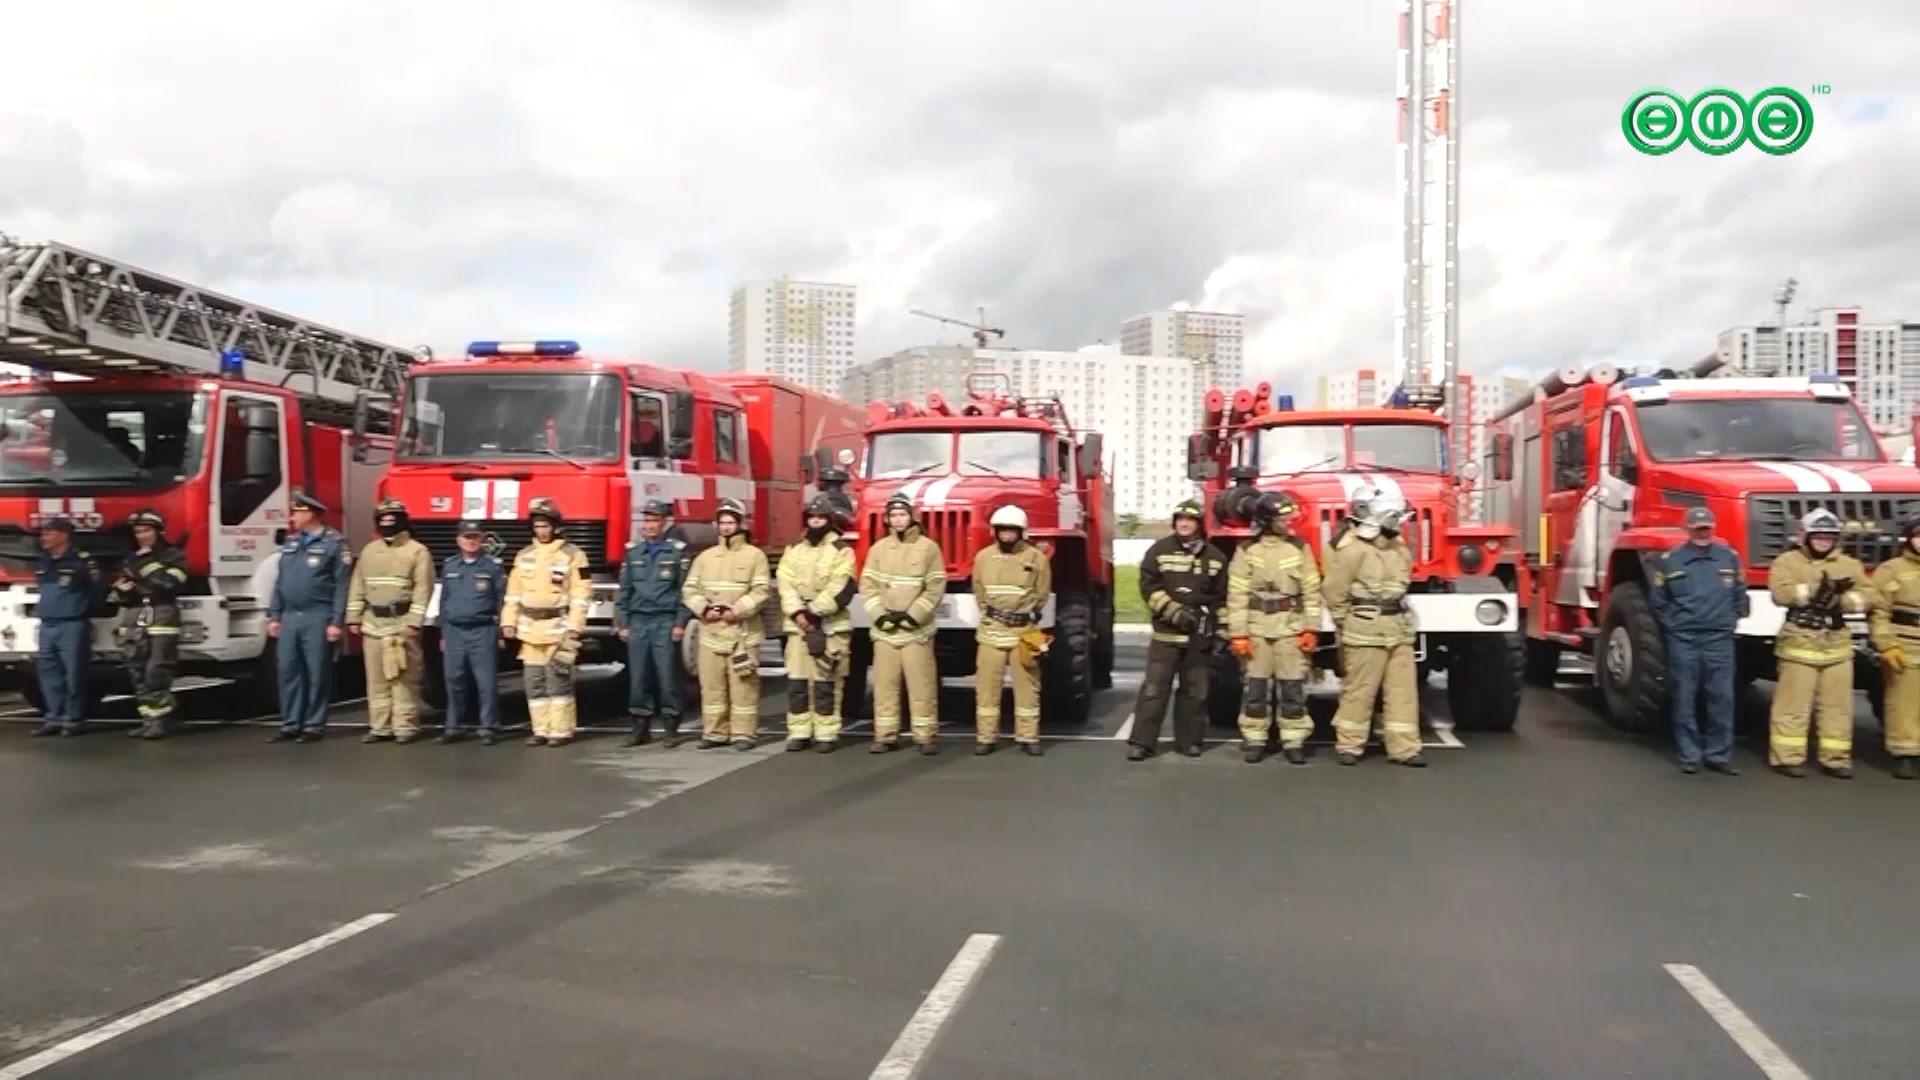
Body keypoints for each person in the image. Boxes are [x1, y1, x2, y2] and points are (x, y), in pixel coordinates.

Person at [1323, 495, 1425, 767]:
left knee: (1402, 692)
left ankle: (1404, 748)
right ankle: (1349, 745)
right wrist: (1347, 621)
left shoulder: (1399, 549)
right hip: (1364, 630)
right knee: (1359, 689)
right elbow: (1335, 591)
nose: (1401, 525)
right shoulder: (1353, 550)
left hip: (1399, 630)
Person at [1768, 508, 1870, 779]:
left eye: (1829, 536)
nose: (1823, 540)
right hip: (1800, 639)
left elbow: (1869, 596)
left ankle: (1835, 758)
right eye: (1818, 535)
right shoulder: (1787, 561)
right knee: (1792, 705)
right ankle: (1787, 757)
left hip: (1837, 643)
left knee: (1838, 707)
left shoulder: (1849, 565)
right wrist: (1814, 591)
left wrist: (1842, 600)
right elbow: (1780, 593)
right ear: (1805, 536)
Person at [1126, 498, 1228, 761]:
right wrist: (1174, 612)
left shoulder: (1216, 558)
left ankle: (1190, 741)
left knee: (1196, 692)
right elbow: (1148, 587)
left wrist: (1220, 631)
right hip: (1166, 636)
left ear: (1198, 524)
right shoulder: (1158, 551)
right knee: (1154, 690)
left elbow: (1222, 599)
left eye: (1190, 520)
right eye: (1180, 519)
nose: (1184, 523)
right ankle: (1142, 743)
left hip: (1199, 639)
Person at [1649, 506, 1747, 775]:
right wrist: (1676, 628)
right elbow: (1658, 602)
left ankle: (1718, 755)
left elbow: (1740, 595)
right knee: (1684, 697)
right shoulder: (1671, 560)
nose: (1702, 533)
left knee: (1723, 698)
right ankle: (1689, 755)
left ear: (1713, 529)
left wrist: (1729, 621)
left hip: (1719, 639)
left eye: (1707, 528)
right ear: (1688, 530)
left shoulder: (1729, 558)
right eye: (1697, 528)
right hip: (1685, 640)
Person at [1227, 491, 1321, 765]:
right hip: (1257, 629)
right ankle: (1255, 739)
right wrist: (1238, 633)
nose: (1288, 521)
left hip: (1290, 628)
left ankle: (1293, 740)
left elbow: (1311, 591)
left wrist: (1311, 629)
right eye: (1282, 517)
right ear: (1267, 520)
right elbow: (1237, 595)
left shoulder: (1299, 548)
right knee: (1255, 688)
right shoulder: (1247, 551)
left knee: (1292, 687)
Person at [859, 491, 947, 754]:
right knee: (884, 685)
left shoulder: (929, 548)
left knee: (921, 685)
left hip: (916, 631)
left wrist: (913, 616)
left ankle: (925, 736)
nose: (898, 520)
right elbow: (868, 585)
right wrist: (879, 615)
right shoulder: (878, 549)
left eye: (902, 515)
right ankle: (885, 735)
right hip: (885, 631)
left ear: (912, 517)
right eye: (893, 516)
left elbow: (935, 586)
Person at [682, 498, 773, 750]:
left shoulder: (755, 556)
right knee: (712, 687)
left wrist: (738, 610)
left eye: (731, 522)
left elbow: (762, 591)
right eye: (722, 522)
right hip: (711, 633)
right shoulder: (705, 557)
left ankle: (744, 734)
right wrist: (703, 609)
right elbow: (690, 589)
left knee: (743, 688)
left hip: (742, 635)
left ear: (741, 524)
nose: (726, 527)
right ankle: (715, 732)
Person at [501, 498, 591, 747]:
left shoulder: (573, 555)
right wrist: (508, 622)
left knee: (558, 681)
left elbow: (581, 594)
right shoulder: (523, 556)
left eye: (546, 525)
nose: (542, 530)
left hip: (558, 630)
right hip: (530, 631)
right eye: (538, 526)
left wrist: (575, 627)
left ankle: (561, 730)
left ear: (555, 526)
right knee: (534, 683)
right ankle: (540, 729)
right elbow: (513, 593)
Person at [346, 498, 434, 744]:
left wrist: (415, 621)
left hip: (402, 625)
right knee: (376, 680)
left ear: (402, 521)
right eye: (383, 519)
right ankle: (380, 727)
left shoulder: (417, 551)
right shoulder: (369, 551)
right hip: (373, 624)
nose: (387, 523)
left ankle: (405, 726)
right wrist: (353, 617)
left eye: (392, 519)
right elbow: (357, 586)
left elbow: (423, 589)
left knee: (404, 680)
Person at [267, 491, 351, 743]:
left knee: (316, 672)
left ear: (310, 514)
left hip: (317, 615)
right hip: (291, 616)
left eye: (296, 512)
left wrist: (336, 621)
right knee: (288, 669)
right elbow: (281, 582)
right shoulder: (291, 543)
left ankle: (314, 724)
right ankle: (291, 722)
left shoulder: (334, 543)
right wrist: (274, 615)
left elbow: (341, 585)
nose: (292, 517)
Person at [776, 495, 858, 752]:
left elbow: (842, 586)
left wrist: (813, 612)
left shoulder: (842, 550)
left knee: (826, 683)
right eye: (812, 517)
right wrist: (797, 612)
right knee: (797, 683)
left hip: (830, 626)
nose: (816, 522)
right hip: (797, 626)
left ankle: (826, 734)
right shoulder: (793, 548)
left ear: (830, 520)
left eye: (821, 517)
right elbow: (784, 582)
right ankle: (799, 732)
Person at [971, 504, 1052, 756]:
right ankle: (986, 737)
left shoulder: (1036, 558)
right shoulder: (983, 557)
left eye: (1011, 531)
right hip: (992, 629)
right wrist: (993, 613)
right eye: (1002, 530)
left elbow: (1041, 593)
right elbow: (979, 591)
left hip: (1024, 631)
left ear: (1021, 532)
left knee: (1028, 685)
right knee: (987, 686)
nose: (1006, 535)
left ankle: (1029, 737)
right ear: (995, 532)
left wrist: (1024, 614)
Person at [616, 499, 691, 748]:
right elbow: (624, 591)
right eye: (646, 520)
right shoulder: (633, 552)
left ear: (664, 523)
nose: (649, 525)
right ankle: (641, 725)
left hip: (664, 620)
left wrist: (680, 622)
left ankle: (671, 725)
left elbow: (684, 591)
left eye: (654, 520)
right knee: (638, 677)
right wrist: (622, 622)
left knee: (667, 677)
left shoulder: (676, 552)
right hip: (638, 622)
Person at [114, 509, 189, 739]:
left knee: (157, 670)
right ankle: (148, 718)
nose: (142, 536)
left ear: (158, 532)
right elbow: (127, 591)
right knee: (137, 670)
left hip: (163, 614)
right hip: (137, 614)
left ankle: (160, 720)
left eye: (146, 530)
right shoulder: (131, 558)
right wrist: (122, 590)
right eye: (138, 531)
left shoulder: (173, 555)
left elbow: (168, 584)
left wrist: (146, 562)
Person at [438, 520, 505, 745]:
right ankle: (454, 726)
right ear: (458, 540)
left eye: (475, 537)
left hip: (482, 629)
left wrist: (501, 632)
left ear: (482, 539)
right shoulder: (450, 566)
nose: (471, 541)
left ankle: (488, 727)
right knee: (453, 679)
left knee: (485, 682)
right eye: (467, 537)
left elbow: (501, 601)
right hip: (454, 630)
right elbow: (444, 601)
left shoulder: (492, 567)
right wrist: (443, 634)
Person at [30, 517, 96, 738]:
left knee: (74, 674)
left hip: (72, 625)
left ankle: (73, 719)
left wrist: (84, 610)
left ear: (64, 535)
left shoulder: (81, 562)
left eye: (49, 533)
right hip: (47, 626)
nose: (44, 538)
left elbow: (97, 590)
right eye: (43, 534)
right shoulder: (43, 561)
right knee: (48, 674)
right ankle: (53, 718)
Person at [1868, 517, 1920, 780]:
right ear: (1908, 539)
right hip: (1906, 642)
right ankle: (1905, 755)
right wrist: (1887, 644)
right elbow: (1878, 612)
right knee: (1904, 704)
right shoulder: (1891, 570)